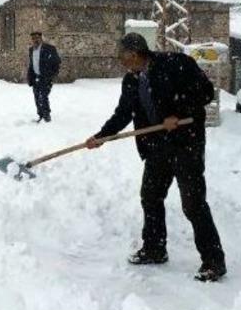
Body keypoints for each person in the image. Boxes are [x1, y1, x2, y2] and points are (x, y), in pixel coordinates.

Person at [85, 33, 227, 282]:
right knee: (150, 197)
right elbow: (123, 113)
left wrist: (177, 113)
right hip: (157, 147)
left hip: (186, 144)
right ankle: (154, 248)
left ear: (136, 54)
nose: (122, 63)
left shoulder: (176, 63)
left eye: (123, 57)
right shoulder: (131, 80)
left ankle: (214, 261)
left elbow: (205, 92)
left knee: (193, 204)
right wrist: (101, 136)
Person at [27, 31, 61, 123]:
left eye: (37, 38)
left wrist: (51, 75)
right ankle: (40, 115)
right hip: (35, 78)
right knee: (37, 97)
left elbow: (57, 62)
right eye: (33, 38)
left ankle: (46, 116)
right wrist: (30, 77)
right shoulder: (31, 50)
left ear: (41, 38)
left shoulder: (49, 49)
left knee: (43, 96)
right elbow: (31, 64)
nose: (35, 40)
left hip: (45, 78)